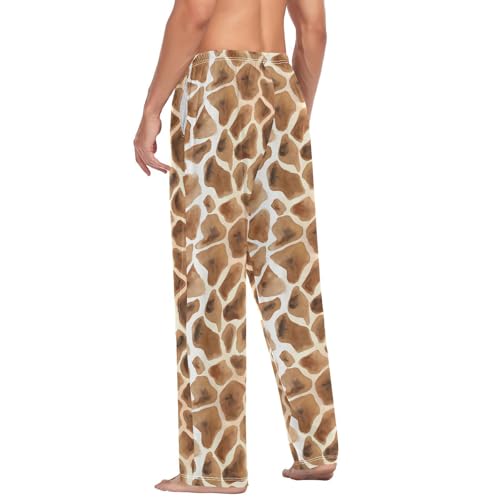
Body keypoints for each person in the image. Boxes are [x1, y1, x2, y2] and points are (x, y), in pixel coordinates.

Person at [133, 0, 338, 493]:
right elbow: (314, 29)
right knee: (292, 283)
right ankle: (317, 447)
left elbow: (195, 13)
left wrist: (151, 108)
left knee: (210, 279)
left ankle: (215, 467)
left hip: (217, 88)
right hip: (281, 85)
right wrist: (295, 109)